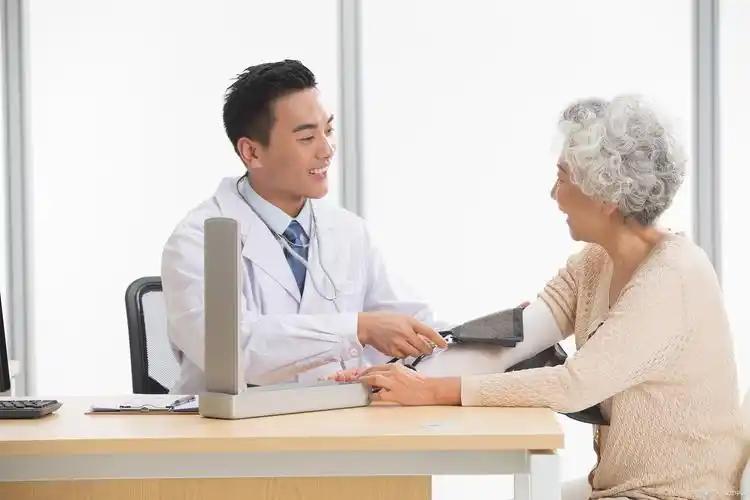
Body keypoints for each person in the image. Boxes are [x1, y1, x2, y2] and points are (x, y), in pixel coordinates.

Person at [354, 96, 748, 499]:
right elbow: (519, 335)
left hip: (678, 494)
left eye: (563, 177)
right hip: (617, 488)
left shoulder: (673, 278)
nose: (553, 194)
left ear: (606, 196)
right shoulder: (595, 262)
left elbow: (574, 385)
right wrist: (395, 375)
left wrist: (433, 391)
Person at [161, 60, 447, 394]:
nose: (327, 150)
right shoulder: (197, 240)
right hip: (230, 424)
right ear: (251, 152)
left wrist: (488, 337)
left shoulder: (348, 230)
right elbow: (230, 350)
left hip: (336, 418)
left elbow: (414, 325)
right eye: (307, 137)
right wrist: (357, 329)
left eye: (328, 131)